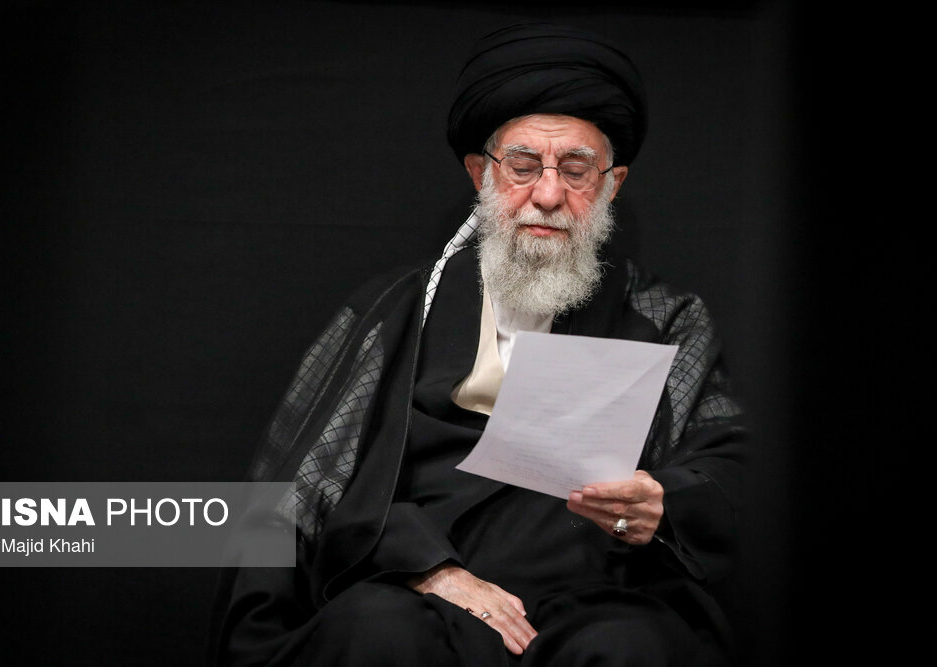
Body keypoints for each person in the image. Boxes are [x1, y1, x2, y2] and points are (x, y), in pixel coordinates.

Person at [209, 22, 745, 667]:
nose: (548, 194)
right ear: (480, 173)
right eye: (523, 166)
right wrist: (422, 563)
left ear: (612, 184)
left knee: (629, 645)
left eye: (577, 170)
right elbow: (310, 485)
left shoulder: (666, 317)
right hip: (417, 583)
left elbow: (728, 468)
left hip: (590, 593)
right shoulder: (397, 309)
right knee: (377, 629)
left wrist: (665, 500)